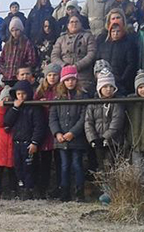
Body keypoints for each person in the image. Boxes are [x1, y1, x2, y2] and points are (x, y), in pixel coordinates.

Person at [85, 69, 126, 204]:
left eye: (110, 86)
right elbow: (88, 122)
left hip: (113, 141)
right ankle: (104, 191)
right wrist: (93, 139)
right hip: (97, 142)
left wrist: (105, 138)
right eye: (105, 87)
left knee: (112, 166)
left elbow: (117, 122)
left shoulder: (117, 103)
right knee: (100, 167)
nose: (108, 89)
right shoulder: (93, 102)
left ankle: (112, 192)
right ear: (99, 88)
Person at [49, 65, 88, 202]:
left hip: (77, 138)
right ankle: (64, 193)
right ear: (63, 82)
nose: (70, 82)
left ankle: (79, 193)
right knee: (64, 165)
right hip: (61, 139)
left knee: (77, 164)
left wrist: (73, 132)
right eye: (67, 80)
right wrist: (57, 133)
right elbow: (52, 118)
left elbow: (84, 118)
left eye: (72, 79)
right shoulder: (58, 98)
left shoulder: (83, 96)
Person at [4, 80, 44, 199]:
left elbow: (39, 126)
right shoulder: (14, 108)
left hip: (29, 143)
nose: (21, 96)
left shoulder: (35, 108)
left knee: (29, 167)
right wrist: (15, 108)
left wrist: (35, 142)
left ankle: (30, 189)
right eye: (18, 94)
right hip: (16, 142)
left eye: (23, 94)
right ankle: (21, 188)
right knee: (18, 167)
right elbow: (7, 121)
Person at [52, 15, 98, 93]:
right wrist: (64, 66)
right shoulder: (61, 39)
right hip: (64, 75)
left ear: (81, 24)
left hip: (83, 76)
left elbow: (91, 54)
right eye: (71, 22)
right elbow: (54, 56)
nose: (74, 24)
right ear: (67, 25)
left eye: (77, 22)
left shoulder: (88, 36)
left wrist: (77, 66)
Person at [35, 63, 61, 198]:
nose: (52, 77)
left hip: (57, 130)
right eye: (49, 75)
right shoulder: (40, 91)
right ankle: (42, 189)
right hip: (44, 130)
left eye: (54, 75)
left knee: (59, 162)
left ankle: (59, 188)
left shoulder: (62, 90)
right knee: (44, 162)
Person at [0, 86, 17, 199]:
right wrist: (0, 109)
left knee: (12, 169)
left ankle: (13, 190)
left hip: (11, 142)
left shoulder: (15, 111)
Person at [97, 22, 138, 95]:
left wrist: (122, 79)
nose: (115, 33)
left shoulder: (128, 45)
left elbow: (131, 64)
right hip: (105, 80)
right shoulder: (103, 45)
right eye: (113, 31)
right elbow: (98, 62)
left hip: (122, 82)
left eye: (118, 31)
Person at [0, 18, 38, 86]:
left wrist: (22, 71)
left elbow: (32, 61)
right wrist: (4, 71)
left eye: (17, 30)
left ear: (21, 30)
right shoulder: (7, 45)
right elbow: (1, 60)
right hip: (7, 78)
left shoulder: (27, 43)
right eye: (12, 30)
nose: (15, 32)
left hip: (20, 78)